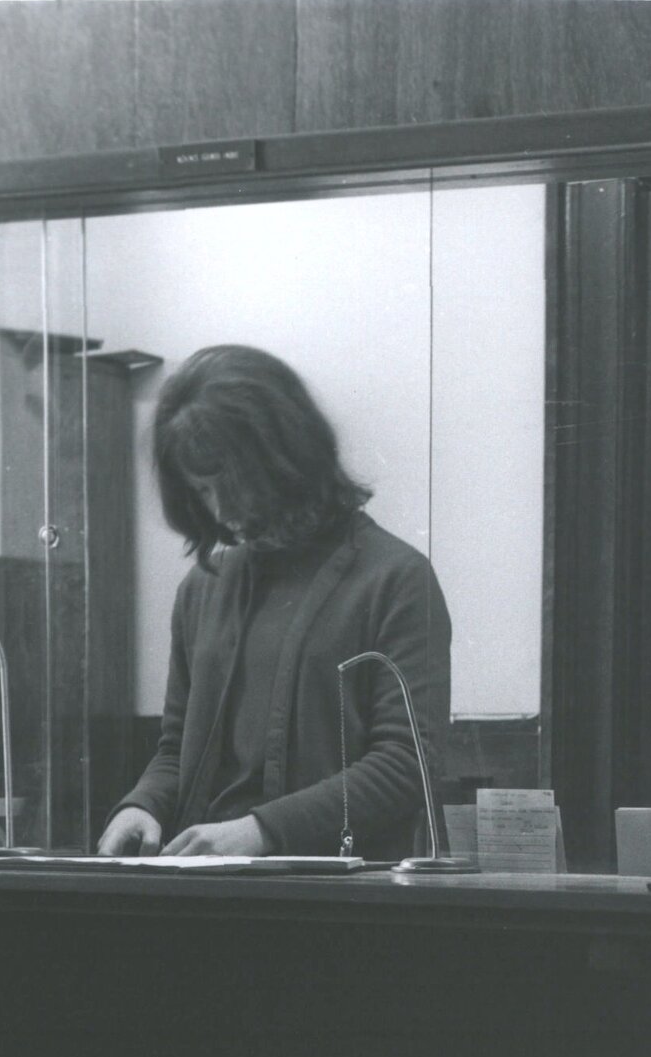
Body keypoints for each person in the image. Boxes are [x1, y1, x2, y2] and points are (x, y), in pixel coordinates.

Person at [99, 344, 451, 861]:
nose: (221, 512)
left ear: (287, 457)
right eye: (202, 491)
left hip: (342, 902)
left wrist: (261, 831)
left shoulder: (398, 578)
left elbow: (406, 765)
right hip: (205, 888)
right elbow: (176, 750)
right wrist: (143, 805)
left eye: (234, 484)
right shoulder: (201, 589)